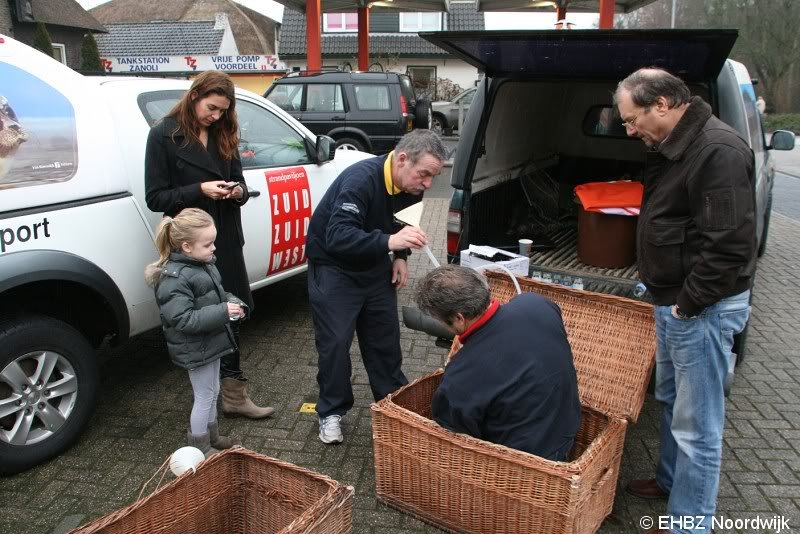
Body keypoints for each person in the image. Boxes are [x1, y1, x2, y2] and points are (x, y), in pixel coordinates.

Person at [614, 68, 755, 533]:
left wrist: (688, 306)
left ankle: (688, 524)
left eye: (633, 120)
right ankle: (670, 482)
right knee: (672, 400)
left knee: (698, 429)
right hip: (675, 300)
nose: (629, 130)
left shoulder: (717, 150)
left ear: (662, 105)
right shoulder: (670, 145)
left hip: (702, 309)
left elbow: (730, 246)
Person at [144, 71, 273, 419]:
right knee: (202, 316)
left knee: (233, 311)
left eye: (221, 111)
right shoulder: (163, 134)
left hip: (225, 237)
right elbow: (155, 197)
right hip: (189, 246)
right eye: (211, 108)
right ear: (195, 94)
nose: (215, 116)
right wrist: (199, 191)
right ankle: (206, 396)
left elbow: (241, 182)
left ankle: (233, 395)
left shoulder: (224, 132)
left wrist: (238, 192)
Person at [306, 129, 447, 444]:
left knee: (384, 340)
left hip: (374, 267)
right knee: (335, 344)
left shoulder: (412, 184)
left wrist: (400, 255)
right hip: (334, 267)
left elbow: (405, 220)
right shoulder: (360, 181)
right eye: (424, 174)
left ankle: (392, 405)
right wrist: (390, 241)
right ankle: (330, 412)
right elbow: (338, 236)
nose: (426, 184)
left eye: (432, 178)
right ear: (401, 160)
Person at [415, 265, 581, 460]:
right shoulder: (537, 303)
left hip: (522, 462)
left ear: (459, 318)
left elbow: (454, 433)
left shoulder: (460, 375)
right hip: (568, 430)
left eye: (440, 320)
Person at [144, 208, 243, 456]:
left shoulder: (204, 264)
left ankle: (213, 437)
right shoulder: (175, 279)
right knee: (204, 395)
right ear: (187, 247)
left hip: (210, 341)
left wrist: (233, 303)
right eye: (208, 244)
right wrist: (223, 311)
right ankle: (200, 446)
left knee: (214, 391)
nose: (213, 249)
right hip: (195, 347)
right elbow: (183, 319)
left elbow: (218, 295)